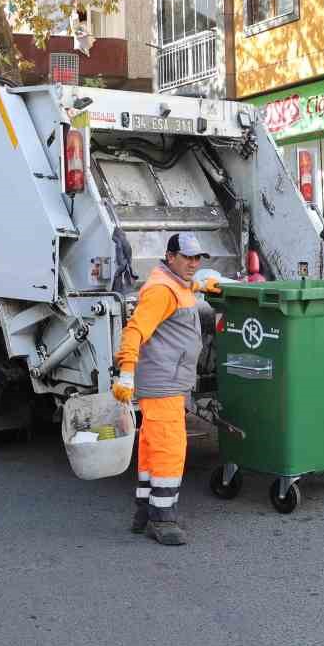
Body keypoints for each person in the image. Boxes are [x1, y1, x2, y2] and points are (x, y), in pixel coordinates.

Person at [113, 232, 221, 545]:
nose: (193, 263)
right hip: (163, 384)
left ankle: (145, 512)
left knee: (150, 447)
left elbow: (183, 291)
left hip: (169, 381)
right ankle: (163, 519)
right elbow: (134, 332)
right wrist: (126, 375)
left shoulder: (175, 284)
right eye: (187, 257)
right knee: (168, 449)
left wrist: (202, 285)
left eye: (197, 258)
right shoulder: (161, 289)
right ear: (170, 256)